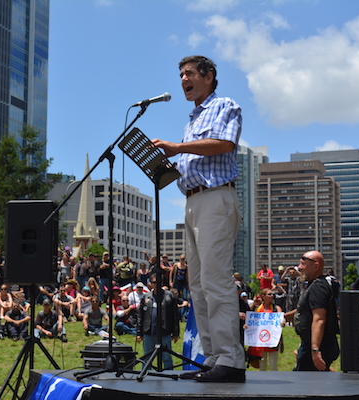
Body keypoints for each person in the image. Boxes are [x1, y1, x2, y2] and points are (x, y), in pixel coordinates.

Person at [152, 55, 245, 382]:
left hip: (216, 198)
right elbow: (193, 158)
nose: (183, 80)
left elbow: (224, 143)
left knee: (216, 280)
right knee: (198, 285)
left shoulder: (225, 106)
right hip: (193, 201)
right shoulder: (192, 119)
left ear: (208, 76)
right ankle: (214, 357)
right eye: (180, 75)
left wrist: (178, 148)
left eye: (189, 73)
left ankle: (231, 359)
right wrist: (165, 166)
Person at [291, 251, 339, 371]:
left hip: (319, 346)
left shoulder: (318, 287)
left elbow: (319, 319)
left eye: (303, 264)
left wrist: (315, 350)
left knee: (309, 385)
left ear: (316, 266)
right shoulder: (313, 285)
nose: (299, 268)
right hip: (310, 345)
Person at [136, 276, 179, 370]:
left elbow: (175, 316)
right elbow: (140, 316)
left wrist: (175, 333)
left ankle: (169, 376)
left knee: (167, 357)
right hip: (149, 332)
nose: (156, 284)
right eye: (154, 282)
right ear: (151, 284)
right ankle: (146, 376)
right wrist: (139, 333)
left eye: (158, 282)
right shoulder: (146, 296)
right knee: (147, 358)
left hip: (164, 332)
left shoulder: (169, 296)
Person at [245, 288, 285, 371]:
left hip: (273, 340)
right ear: (263, 296)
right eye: (269, 294)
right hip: (261, 341)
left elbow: (281, 318)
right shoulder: (258, 308)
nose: (272, 296)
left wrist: (283, 322)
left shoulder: (276, 308)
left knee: (273, 365)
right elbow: (250, 317)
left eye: (272, 294)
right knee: (262, 366)